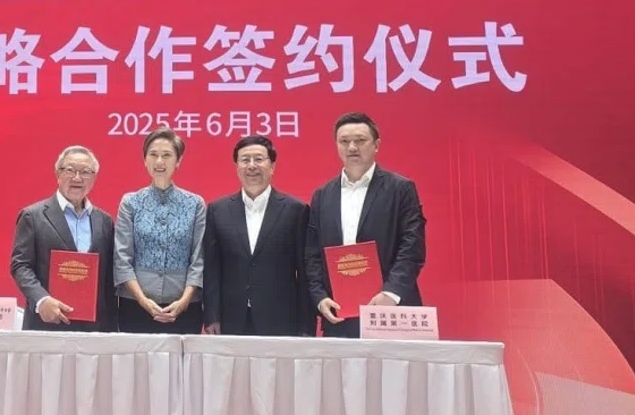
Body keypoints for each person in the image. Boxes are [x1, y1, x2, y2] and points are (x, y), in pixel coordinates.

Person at [305, 112, 426, 338]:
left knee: (394, 374)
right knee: (342, 374)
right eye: (344, 141)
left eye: (360, 140)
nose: (352, 147)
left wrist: (391, 293)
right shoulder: (322, 195)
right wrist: (320, 297)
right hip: (339, 314)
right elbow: (312, 254)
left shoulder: (401, 189)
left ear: (376, 144)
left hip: (391, 312)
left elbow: (412, 247)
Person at [203, 135, 315, 336]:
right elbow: (212, 269)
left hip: (281, 319)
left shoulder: (295, 210)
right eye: (245, 160)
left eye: (258, 159)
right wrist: (212, 316)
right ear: (237, 167)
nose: (251, 166)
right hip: (231, 319)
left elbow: (305, 272)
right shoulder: (217, 210)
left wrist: (306, 326)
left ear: (272, 166)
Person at [10, 145, 117, 331]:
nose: (77, 178)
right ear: (57, 174)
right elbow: (21, 265)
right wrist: (42, 300)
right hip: (47, 324)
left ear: (94, 178)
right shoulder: (33, 216)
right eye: (70, 170)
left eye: (85, 172)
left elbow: (109, 277)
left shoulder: (105, 221)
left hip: (94, 329)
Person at [114, 127, 207, 334]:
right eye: (153, 155)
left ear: (178, 161)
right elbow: (122, 257)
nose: (159, 162)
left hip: (184, 308)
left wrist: (184, 301)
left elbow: (198, 258)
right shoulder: (131, 202)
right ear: (144, 160)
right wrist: (143, 300)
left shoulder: (195, 204)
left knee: (181, 366)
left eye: (167, 155)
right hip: (135, 306)